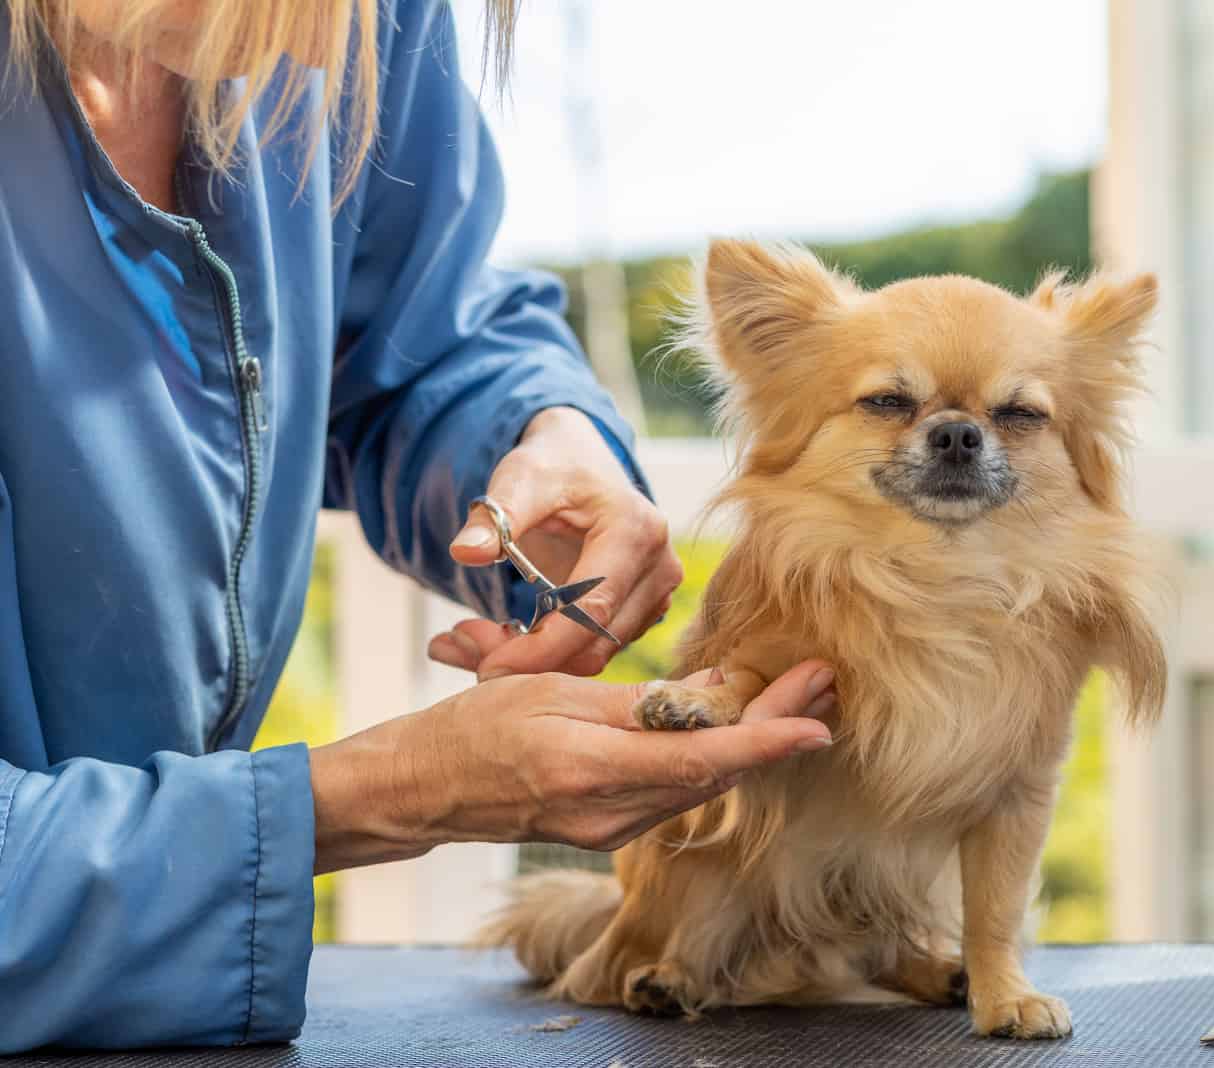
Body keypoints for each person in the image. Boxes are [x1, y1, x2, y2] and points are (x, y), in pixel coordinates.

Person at [0, 0, 835, 1052]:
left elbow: (409, 330)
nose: (361, 40)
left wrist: (541, 438)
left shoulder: (362, 26)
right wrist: (385, 794)